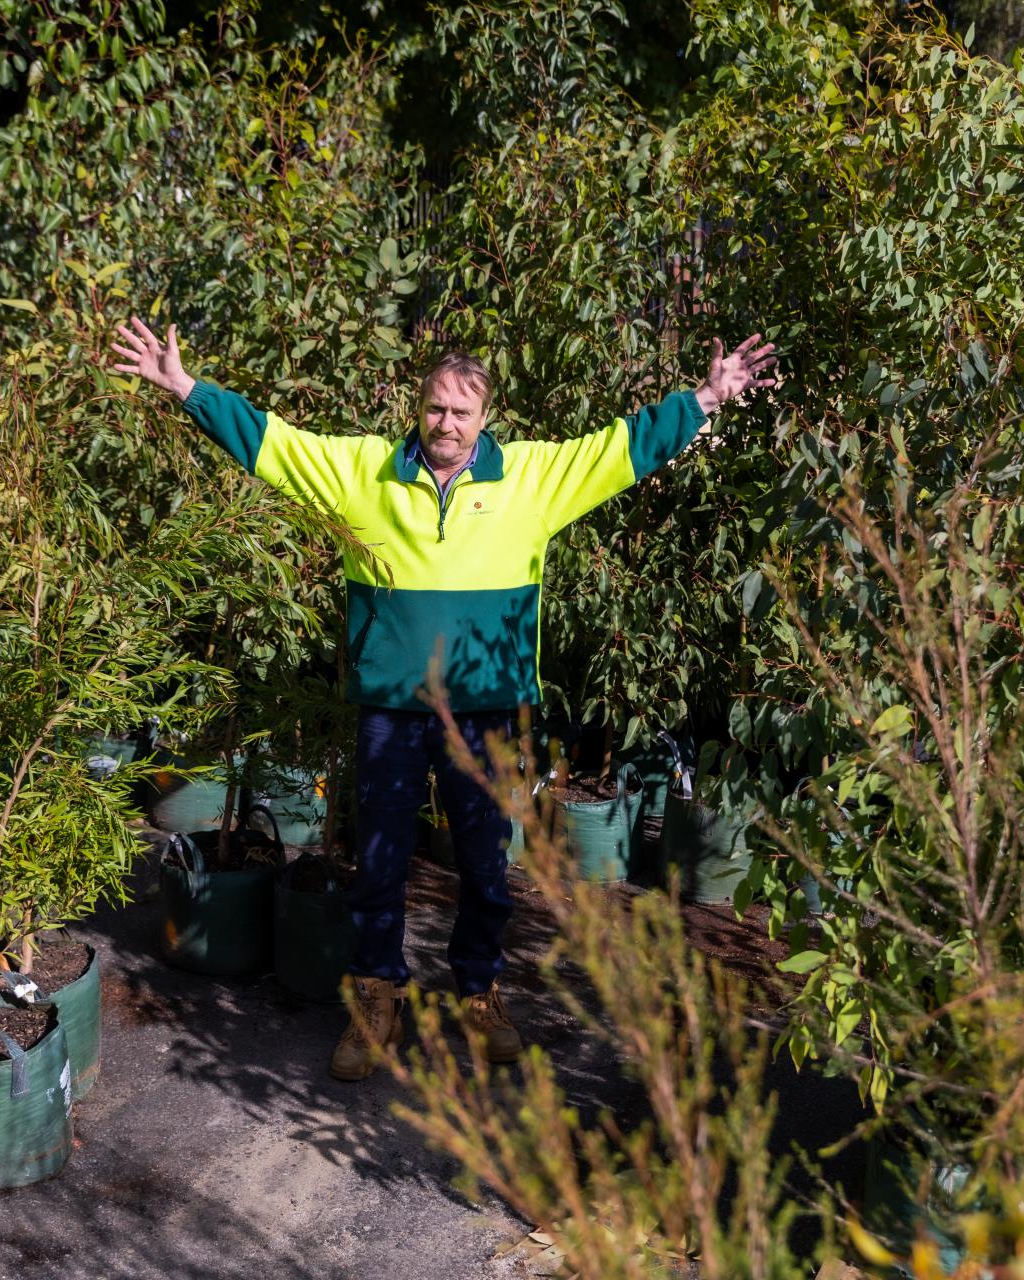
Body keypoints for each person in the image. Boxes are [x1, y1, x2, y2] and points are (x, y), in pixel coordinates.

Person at [109, 318, 776, 1081]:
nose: (446, 424)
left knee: (488, 871)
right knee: (383, 865)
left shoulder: (532, 480)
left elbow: (621, 448)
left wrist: (707, 399)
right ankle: (375, 1001)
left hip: (485, 717)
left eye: (462, 412)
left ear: (485, 418)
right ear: (416, 408)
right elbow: (273, 444)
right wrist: (187, 389)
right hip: (392, 713)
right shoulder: (364, 473)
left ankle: (479, 993)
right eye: (435, 408)